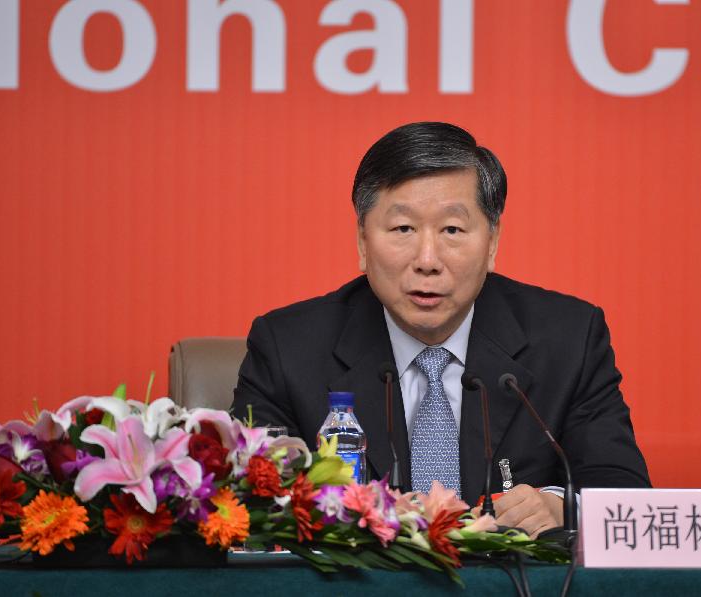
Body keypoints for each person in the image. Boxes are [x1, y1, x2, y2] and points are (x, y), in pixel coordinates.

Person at [232, 122, 650, 537]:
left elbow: (623, 491)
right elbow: (246, 498)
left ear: (492, 242)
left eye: (452, 230)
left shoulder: (567, 338)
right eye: (403, 229)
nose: (427, 259)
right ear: (362, 240)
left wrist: (560, 505)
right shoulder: (288, 347)